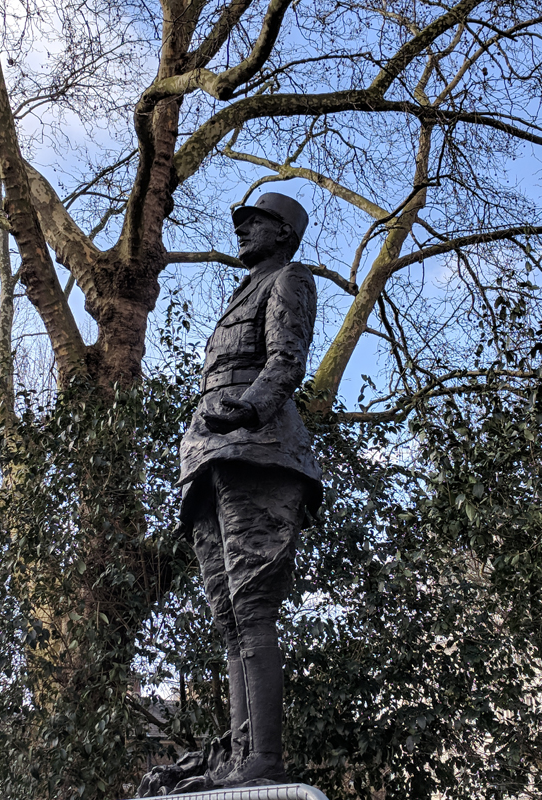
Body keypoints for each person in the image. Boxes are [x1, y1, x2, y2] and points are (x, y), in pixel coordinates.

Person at [177, 192, 323, 787]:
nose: (242, 230)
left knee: (253, 604)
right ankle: (241, 760)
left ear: (284, 233)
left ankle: (264, 759)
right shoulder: (243, 291)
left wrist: (250, 410)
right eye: (240, 223)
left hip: (259, 450)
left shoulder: (290, 279)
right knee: (229, 615)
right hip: (210, 458)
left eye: (255, 222)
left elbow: (286, 361)